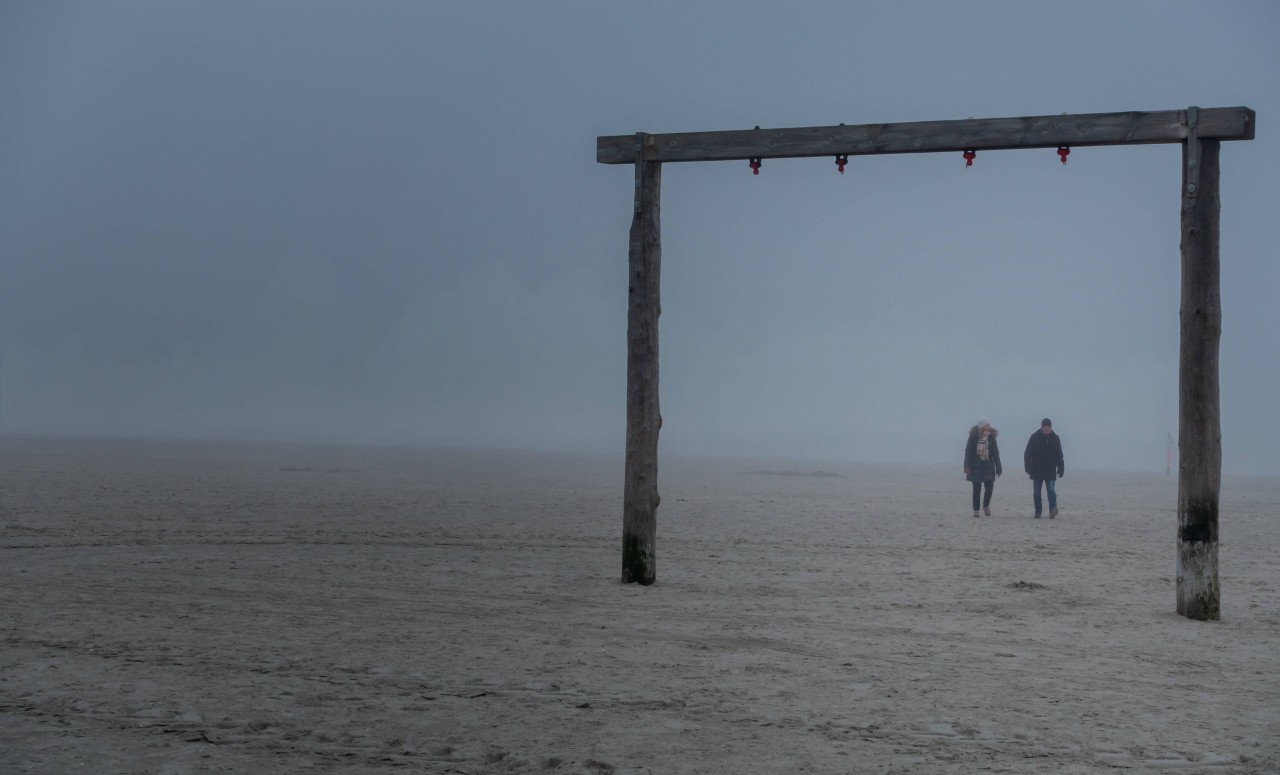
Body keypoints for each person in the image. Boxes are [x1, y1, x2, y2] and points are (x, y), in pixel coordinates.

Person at [1023, 417, 1065, 518]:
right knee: (1037, 493)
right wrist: (1028, 467)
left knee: (1051, 490)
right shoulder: (1034, 437)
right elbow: (1027, 453)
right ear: (1041, 427)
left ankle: (1052, 509)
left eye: (1048, 427)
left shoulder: (1055, 438)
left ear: (1051, 427)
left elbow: (1059, 454)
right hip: (1037, 469)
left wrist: (1061, 467)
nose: (1046, 429)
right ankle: (1038, 511)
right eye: (1045, 427)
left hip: (1050, 470)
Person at [963, 419, 1002, 517]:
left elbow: (995, 453)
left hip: (988, 465)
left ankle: (986, 505)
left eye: (989, 425)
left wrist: (999, 467)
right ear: (982, 427)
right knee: (976, 488)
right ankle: (976, 510)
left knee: (989, 487)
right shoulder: (973, 437)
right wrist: (966, 466)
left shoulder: (991, 437)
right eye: (987, 425)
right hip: (975, 465)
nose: (989, 426)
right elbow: (968, 452)